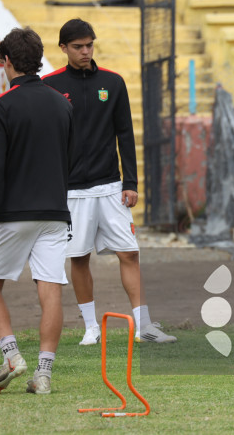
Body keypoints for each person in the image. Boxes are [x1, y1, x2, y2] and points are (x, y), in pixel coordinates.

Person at [43, 19, 176, 345]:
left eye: (90, 44)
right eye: (78, 47)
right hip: (72, 191)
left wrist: (130, 181)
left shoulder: (113, 83)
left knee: (130, 253)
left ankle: (144, 326)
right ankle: (91, 328)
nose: (86, 51)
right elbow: (48, 142)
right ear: (63, 48)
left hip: (111, 187)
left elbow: (125, 134)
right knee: (79, 258)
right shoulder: (49, 86)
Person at [0, 27, 74, 394]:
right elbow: (70, 159)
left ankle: (12, 357)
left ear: (8, 62)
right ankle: (44, 374)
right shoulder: (63, 103)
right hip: (54, 212)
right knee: (50, 290)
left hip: (12, 212)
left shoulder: (0, 104)